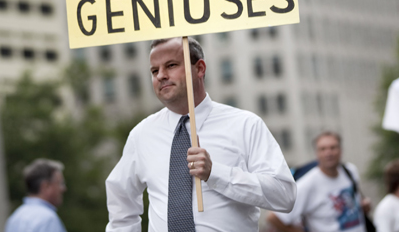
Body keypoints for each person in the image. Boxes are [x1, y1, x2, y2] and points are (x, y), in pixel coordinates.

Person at [105, 36, 296, 231]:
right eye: (155, 71)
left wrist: (216, 173)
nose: (161, 75)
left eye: (171, 65)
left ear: (200, 68)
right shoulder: (142, 135)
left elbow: (284, 196)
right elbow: (120, 200)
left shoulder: (245, 125)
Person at [267, 132, 371, 232]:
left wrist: (363, 205)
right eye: (323, 149)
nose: (328, 153)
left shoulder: (350, 170)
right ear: (316, 153)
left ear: (341, 150)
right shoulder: (307, 184)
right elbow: (274, 218)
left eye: (333, 147)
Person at [5, 158, 67, 232]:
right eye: (60, 183)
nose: (63, 189)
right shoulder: (48, 219)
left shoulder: (14, 218)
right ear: (46, 186)